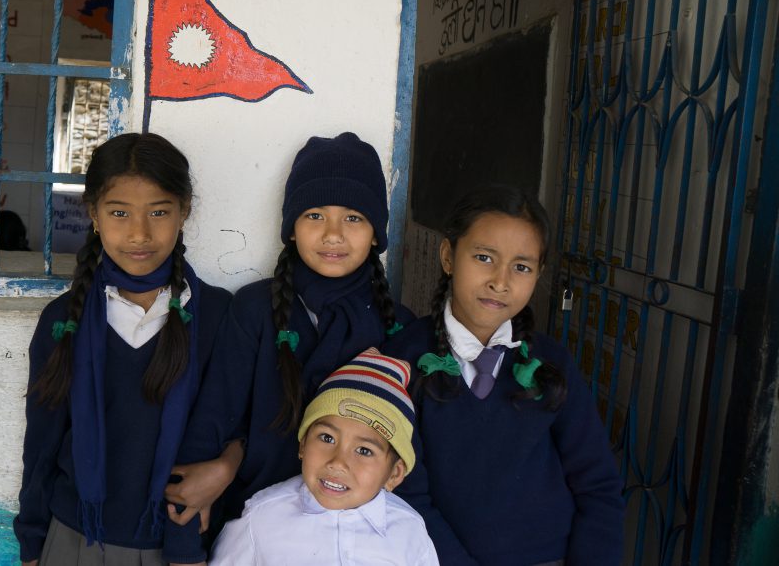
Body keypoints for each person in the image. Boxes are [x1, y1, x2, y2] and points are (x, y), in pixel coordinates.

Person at [162, 132, 414, 564]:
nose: (333, 234)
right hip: (253, 536)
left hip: (357, 546)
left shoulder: (397, 329)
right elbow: (208, 429)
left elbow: (406, 454)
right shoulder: (256, 309)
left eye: (353, 218)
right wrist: (187, 553)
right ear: (291, 229)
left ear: (376, 233)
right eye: (314, 215)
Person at [13, 133, 232, 566]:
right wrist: (33, 542)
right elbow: (41, 442)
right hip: (74, 539)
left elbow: (237, 423)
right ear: (93, 215)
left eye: (159, 212)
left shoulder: (220, 316)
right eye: (119, 213)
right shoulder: (64, 320)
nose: (139, 233)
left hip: (176, 548)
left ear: (184, 211)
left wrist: (226, 466)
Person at [386, 184, 624, 566]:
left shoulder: (551, 365)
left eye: (522, 266)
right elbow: (404, 494)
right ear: (448, 256)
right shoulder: (402, 362)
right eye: (483, 257)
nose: (501, 281)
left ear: (539, 274)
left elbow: (598, 484)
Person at [209, 348, 439, 565]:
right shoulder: (262, 518)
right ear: (302, 445)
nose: (338, 462)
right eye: (327, 438)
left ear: (395, 474)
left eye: (364, 451)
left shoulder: (409, 532)